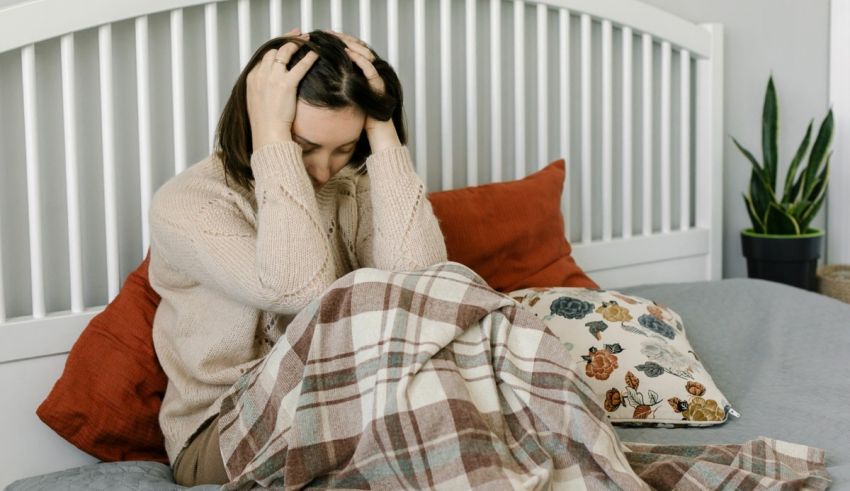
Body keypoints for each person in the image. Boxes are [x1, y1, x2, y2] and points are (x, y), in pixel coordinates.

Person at [147, 28, 447, 486]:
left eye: (344, 148)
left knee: (458, 326)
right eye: (305, 149)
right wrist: (271, 141)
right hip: (223, 433)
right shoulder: (190, 204)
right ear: (261, 122)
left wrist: (383, 129)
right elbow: (299, 291)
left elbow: (422, 287)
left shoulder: (352, 185)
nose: (325, 169)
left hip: (352, 397)